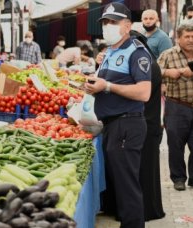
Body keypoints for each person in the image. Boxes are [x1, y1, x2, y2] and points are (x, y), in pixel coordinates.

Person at [84, 3, 151, 228]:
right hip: (113, 125)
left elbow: (144, 92)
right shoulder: (111, 51)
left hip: (127, 124)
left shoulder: (136, 51)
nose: (108, 27)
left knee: (127, 187)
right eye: (105, 22)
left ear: (128, 26)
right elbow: (104, 83)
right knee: (121, 186)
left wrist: (107, 86)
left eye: (113, 22)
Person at [131, 30, 166, 221]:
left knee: (145, 170)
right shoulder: (149, 63)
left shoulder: (146, 66)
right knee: (147, 170)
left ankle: (146, 211)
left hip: (146, 124)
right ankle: (149, 209)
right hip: (149, 123)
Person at [157, 22, 193, 191]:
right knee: (176, 145)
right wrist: (167, 72)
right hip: (176, 106)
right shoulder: (168, 55)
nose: (191, 40)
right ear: (178, 38)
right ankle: (178, 178)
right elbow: (153, 71)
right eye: (187, 36)